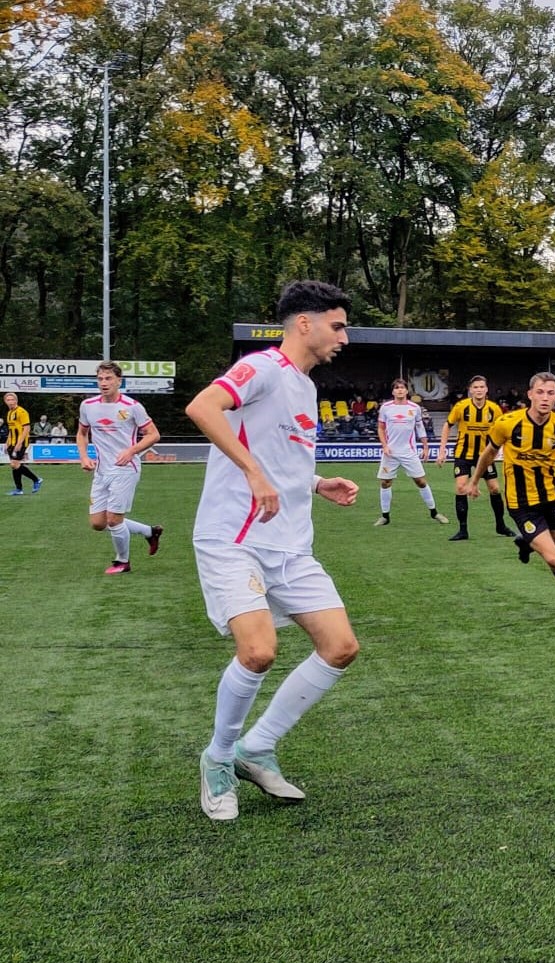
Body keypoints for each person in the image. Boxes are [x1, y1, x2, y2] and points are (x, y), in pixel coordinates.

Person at [185, 280, 363, 822]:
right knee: (258, 651)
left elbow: (280, 455)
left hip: (290, 544)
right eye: (338, 325)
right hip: (232, 538)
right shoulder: (261, 366)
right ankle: (217, 758)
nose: (345, 338)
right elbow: (202, 407)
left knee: (340, 646)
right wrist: (253, 471)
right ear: (303, 324)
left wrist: (315, 482)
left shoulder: (306, 389)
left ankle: (255, 748)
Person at [472, 372, 555, 620]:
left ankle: (526, 541)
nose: (545, 397)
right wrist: (474, 481)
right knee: (554, 560)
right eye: (540, 392)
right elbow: (488, 454)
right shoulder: (507, 423)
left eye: (551, 393)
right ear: (530, 394)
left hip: (553, 498)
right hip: (521, 504)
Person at [77, 362, 163, 575]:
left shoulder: (132, 406)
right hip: (101, 471)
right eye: (100, 379)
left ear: (118, 381)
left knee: (114, 519)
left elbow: (154, 434)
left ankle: (122, 562)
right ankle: (149, 532)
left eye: (108, 379)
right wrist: (84, 457)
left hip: (126, 469)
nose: (104, 383)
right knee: (98, 523)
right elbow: (81, 433)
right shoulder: (88, 405)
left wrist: (131, 451)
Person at [442, 375, 512, 541]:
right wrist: (441, 449)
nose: (479, 390)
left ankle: (500, 526)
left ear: (486, 389)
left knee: (495, 489)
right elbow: (447, 425)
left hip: (485, 455)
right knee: (460, 487)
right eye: (476, 387)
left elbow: (502, 430)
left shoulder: (494, 409)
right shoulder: (461, 406)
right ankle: (463, 530)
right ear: (470, 390)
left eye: (482, 387)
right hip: (463, 454)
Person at [374, 378, 445, 526]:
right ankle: (385, 516)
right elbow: (381, 428)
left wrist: (425, 447)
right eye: (397, 388)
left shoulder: (415, 408)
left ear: (407, 391)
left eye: (402, 388)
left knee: (420, 481)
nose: (400, 390)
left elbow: (420, 428)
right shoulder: (385, 408)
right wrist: (384, 445)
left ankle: (434, 512)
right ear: (393, 391)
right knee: (385, 482)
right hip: (390, 453)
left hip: (409, 452)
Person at [6, 391, 42, 495]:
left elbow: (27, 428)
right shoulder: (9, 413)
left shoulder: (22, 412)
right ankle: (19, 489)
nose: (10, 402)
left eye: (12, 399)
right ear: (5, 401)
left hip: (20, 442)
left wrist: (19, 443)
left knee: (14, 464)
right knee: (14, 465)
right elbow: (11, 429)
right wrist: (7, 441)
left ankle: (36, 479)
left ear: (16, 400)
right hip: (12, 442)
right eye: (8, 400)